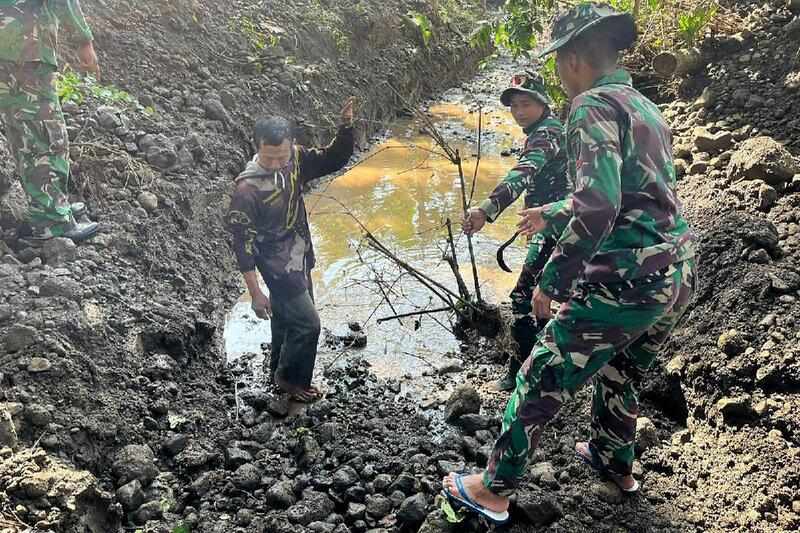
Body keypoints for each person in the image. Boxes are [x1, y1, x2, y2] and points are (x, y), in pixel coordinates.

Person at [442, 3, 696, 523]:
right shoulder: (643, 106)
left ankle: (493, 489)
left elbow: (599, 204)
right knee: (622, 371)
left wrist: (554, 282)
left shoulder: (590, 106)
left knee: (541, 374)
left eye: (559, 63)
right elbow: (634, 194)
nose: (559, 75)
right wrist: (553, 210)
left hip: (625, 278)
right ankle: (613, 462)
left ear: (576, 58)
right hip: (674, 272)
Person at [225, 98, 355, 403]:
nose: (275, 164)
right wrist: (255, 292)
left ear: (291, 146)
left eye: (280, 156)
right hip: (275, 265)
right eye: (268, 158)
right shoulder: (247, 191)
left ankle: (277, 367)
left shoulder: (295, 160)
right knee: (309, 324)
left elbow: (332, 160)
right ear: (256, 147)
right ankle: (291, 380)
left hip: (299, 252)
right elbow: (242, 247)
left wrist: (346, 127)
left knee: (285, 316)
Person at [463, 71, 568, 392]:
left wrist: (486, 209)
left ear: (543, 103)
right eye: (514, 106)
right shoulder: (544, 129)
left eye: (526, 103)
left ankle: (520, 374)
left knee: (524, 296)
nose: (519, 111)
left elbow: (523, 173)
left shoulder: (546, 134)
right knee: (555, 294)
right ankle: (554, 362)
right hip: (555, 222)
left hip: (557, 224)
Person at [0, 0, 100, 241]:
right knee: (47, 135)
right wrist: (83, 41)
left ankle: (48, 206)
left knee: (22, 133)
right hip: (26, 47)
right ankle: (52, 221)